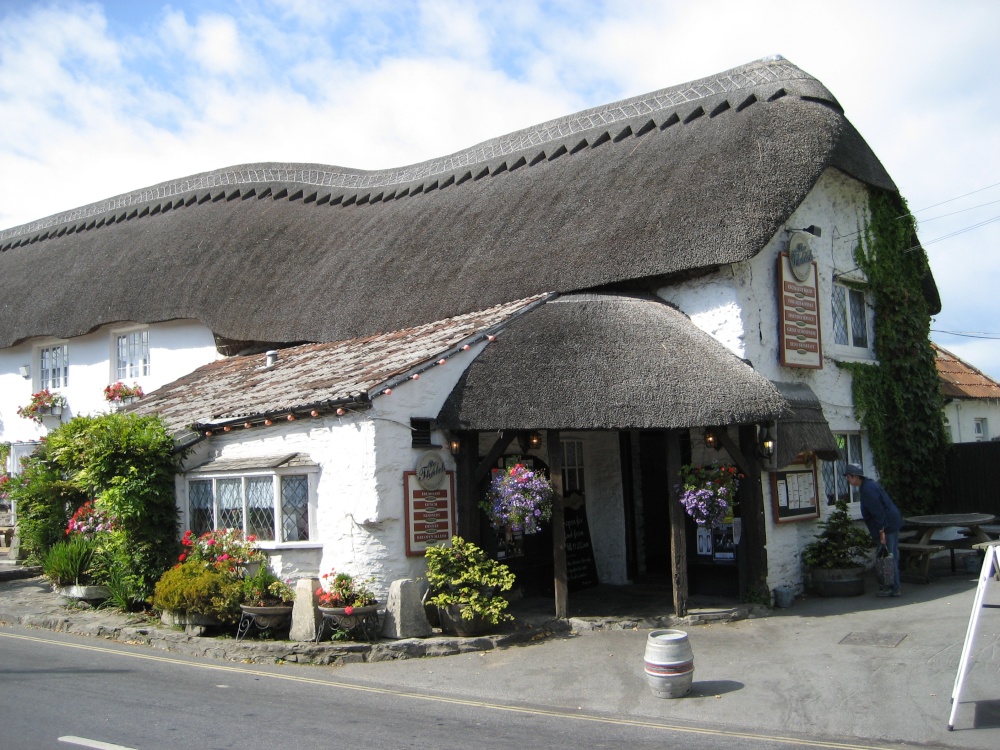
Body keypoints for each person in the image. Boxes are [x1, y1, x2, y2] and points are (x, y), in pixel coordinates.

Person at [844, 463, 903, 597]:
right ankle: (892, 586)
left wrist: (881, 532)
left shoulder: (867, 489)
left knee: (888, 557)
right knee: (889, 555)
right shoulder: (868, 485)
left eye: (848, 476)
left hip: (887, 525)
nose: (847, 480)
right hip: (891, 523)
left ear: (854, 476)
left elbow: (878, 511)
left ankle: (893, 587)